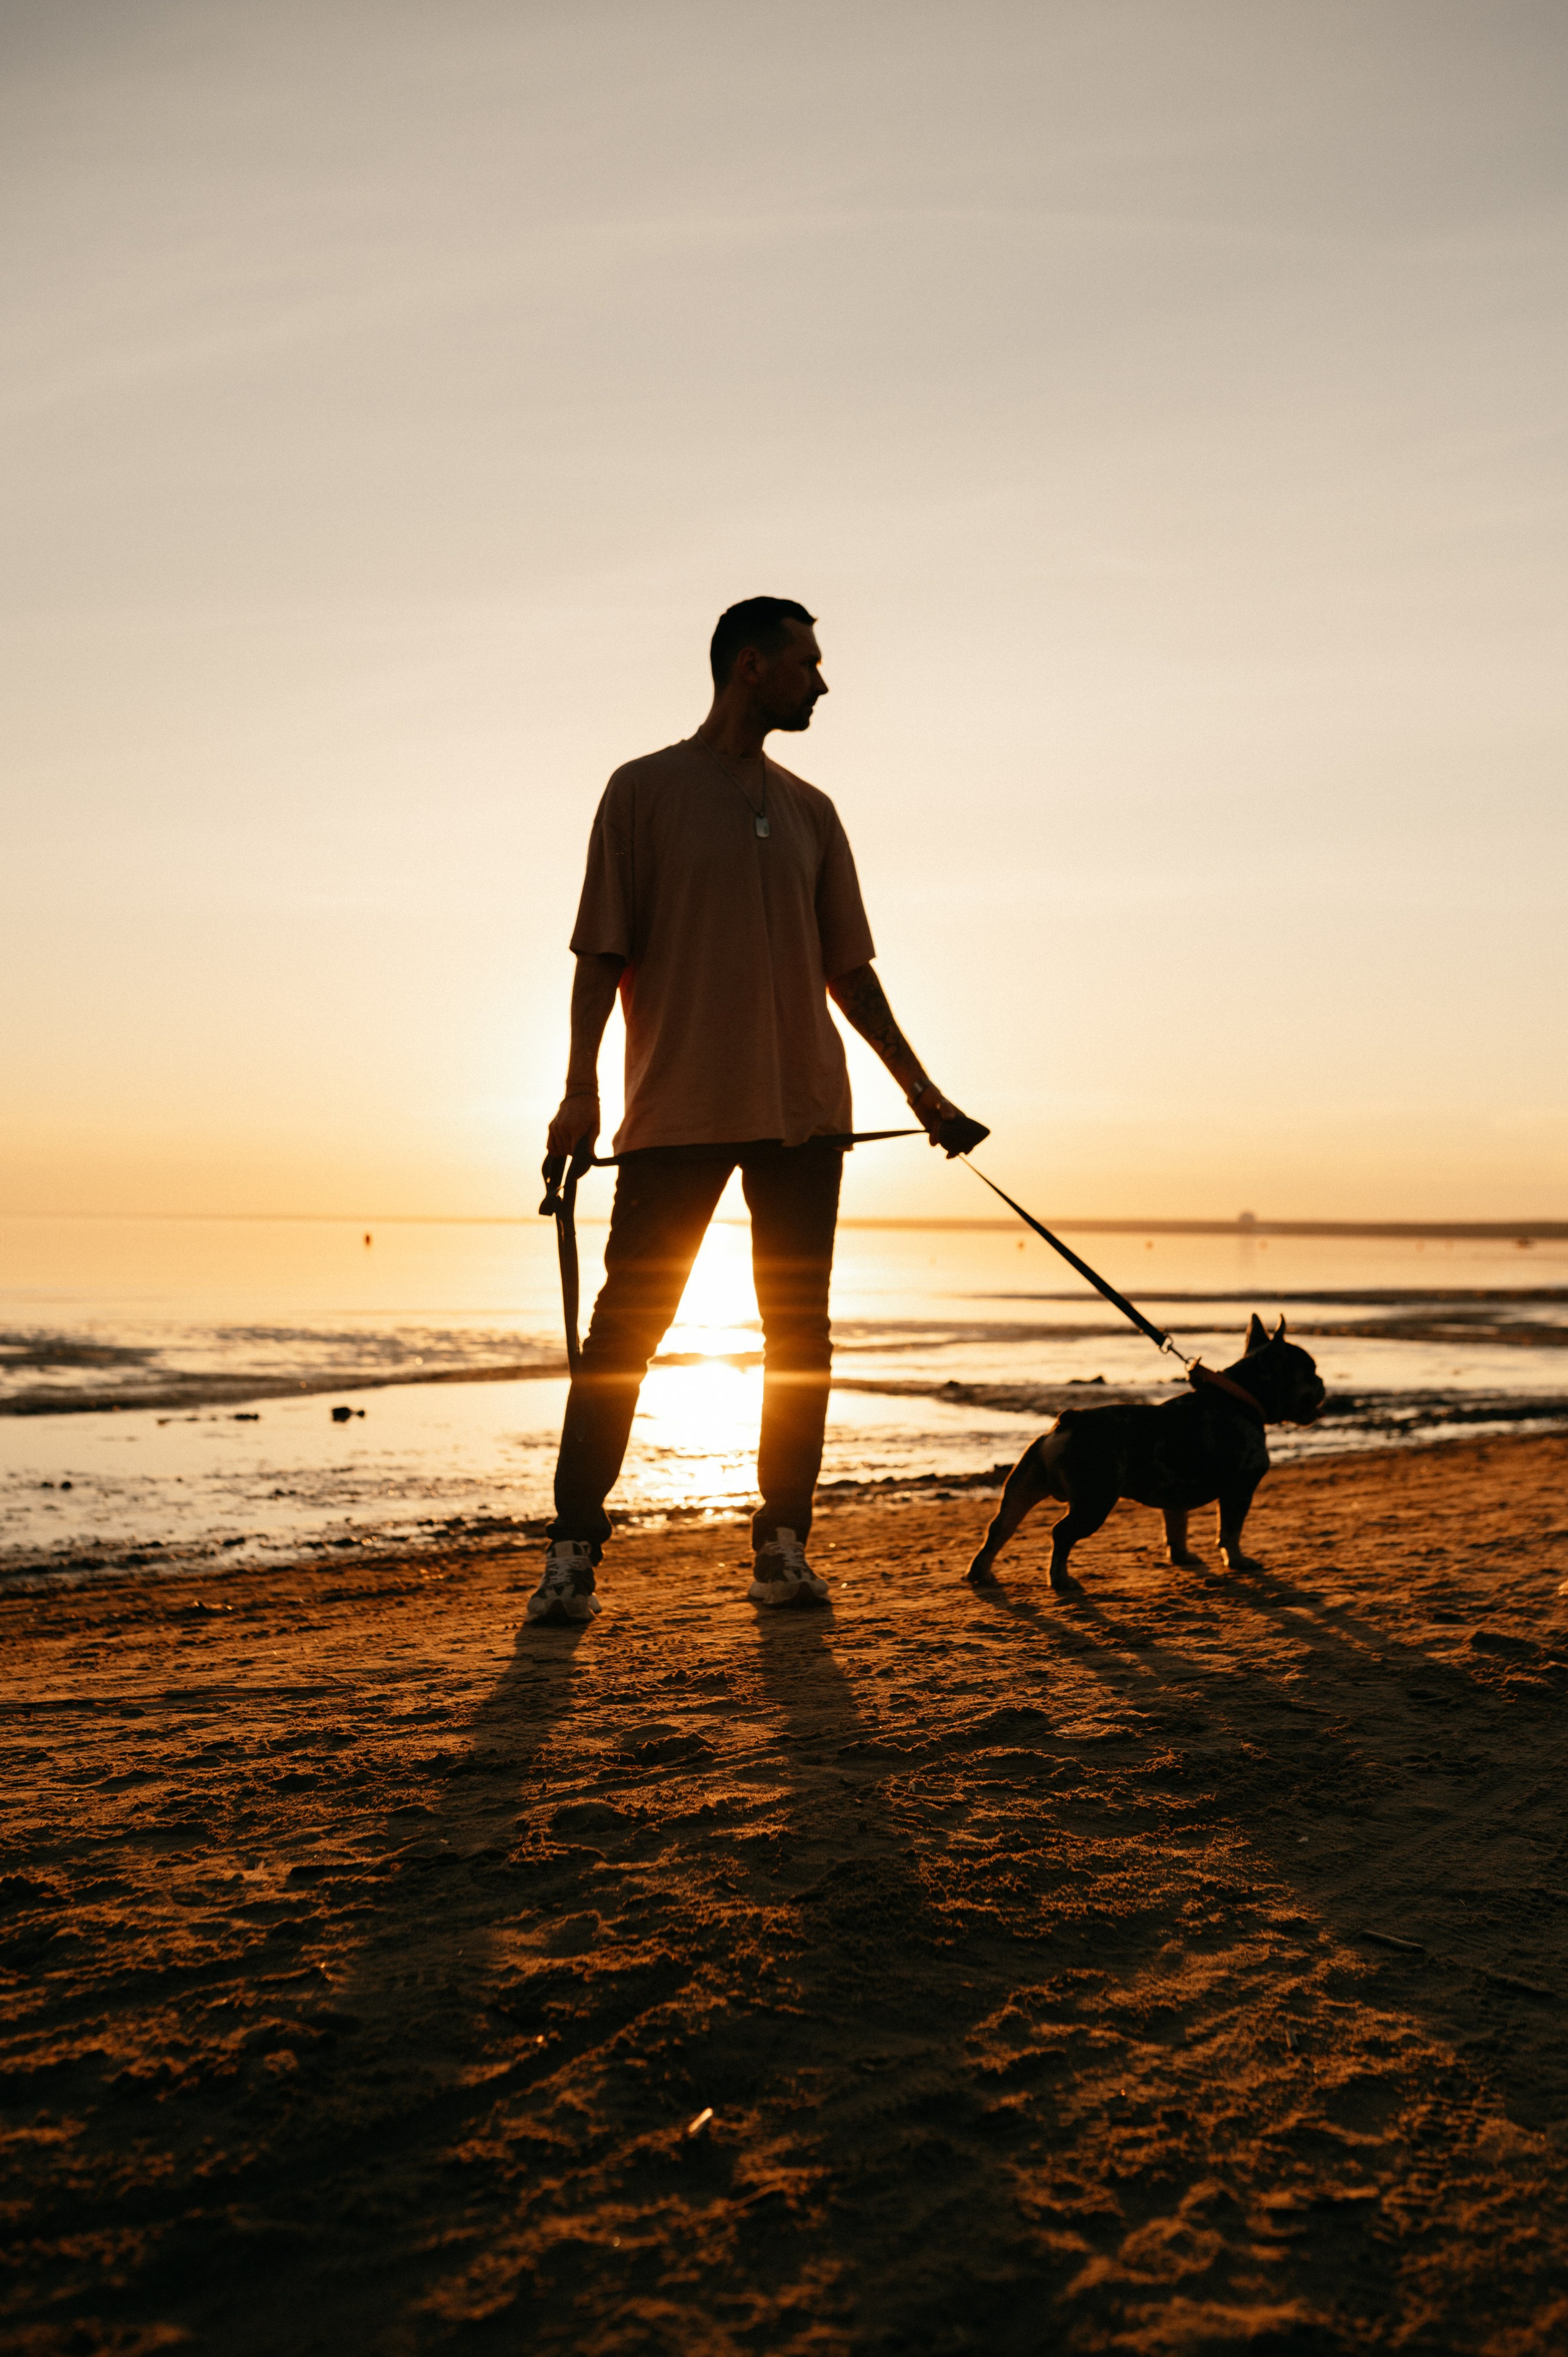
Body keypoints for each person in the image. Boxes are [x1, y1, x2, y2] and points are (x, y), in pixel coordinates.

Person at [526, 597, 984, 1626]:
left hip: (806, 1116)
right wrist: (579, 1090)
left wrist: (925, 1094)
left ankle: (782, 1546)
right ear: (750, 667)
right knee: (623, 1335)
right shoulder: (641, 791)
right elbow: (601, 953)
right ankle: (572, 1553)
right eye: (807, 662)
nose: (822, 681)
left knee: (800, 1337)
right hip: (676, 1114)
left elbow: (849, 973)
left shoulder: (814, 810)